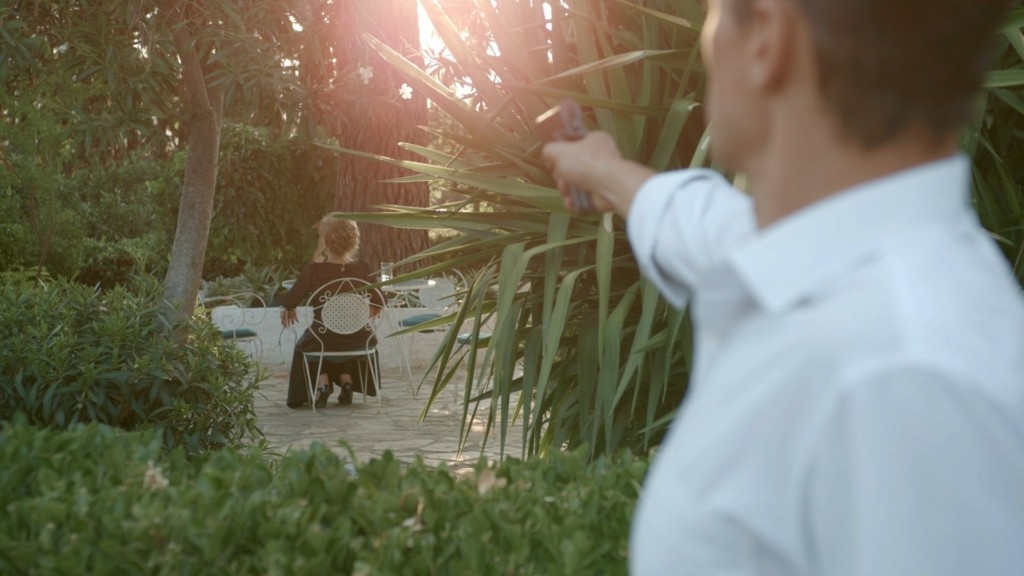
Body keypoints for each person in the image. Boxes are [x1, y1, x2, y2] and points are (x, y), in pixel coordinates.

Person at [542, 0, 1024, 574]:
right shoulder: (847, 263)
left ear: (767, 39)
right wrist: (604, 171)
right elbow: (703, 225)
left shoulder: (902, 376)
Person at [274, 215, 385, 409]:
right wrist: (374, 306)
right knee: (338, 338)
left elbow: (291, 298)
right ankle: (346, 382)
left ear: (326, 240)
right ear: (353, 240)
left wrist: (286, 305)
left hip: (324, 338)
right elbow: (381, 299)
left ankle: (323, 385)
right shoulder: (363, 269)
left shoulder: (314, 271)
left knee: (307, 344)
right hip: (359, 338)